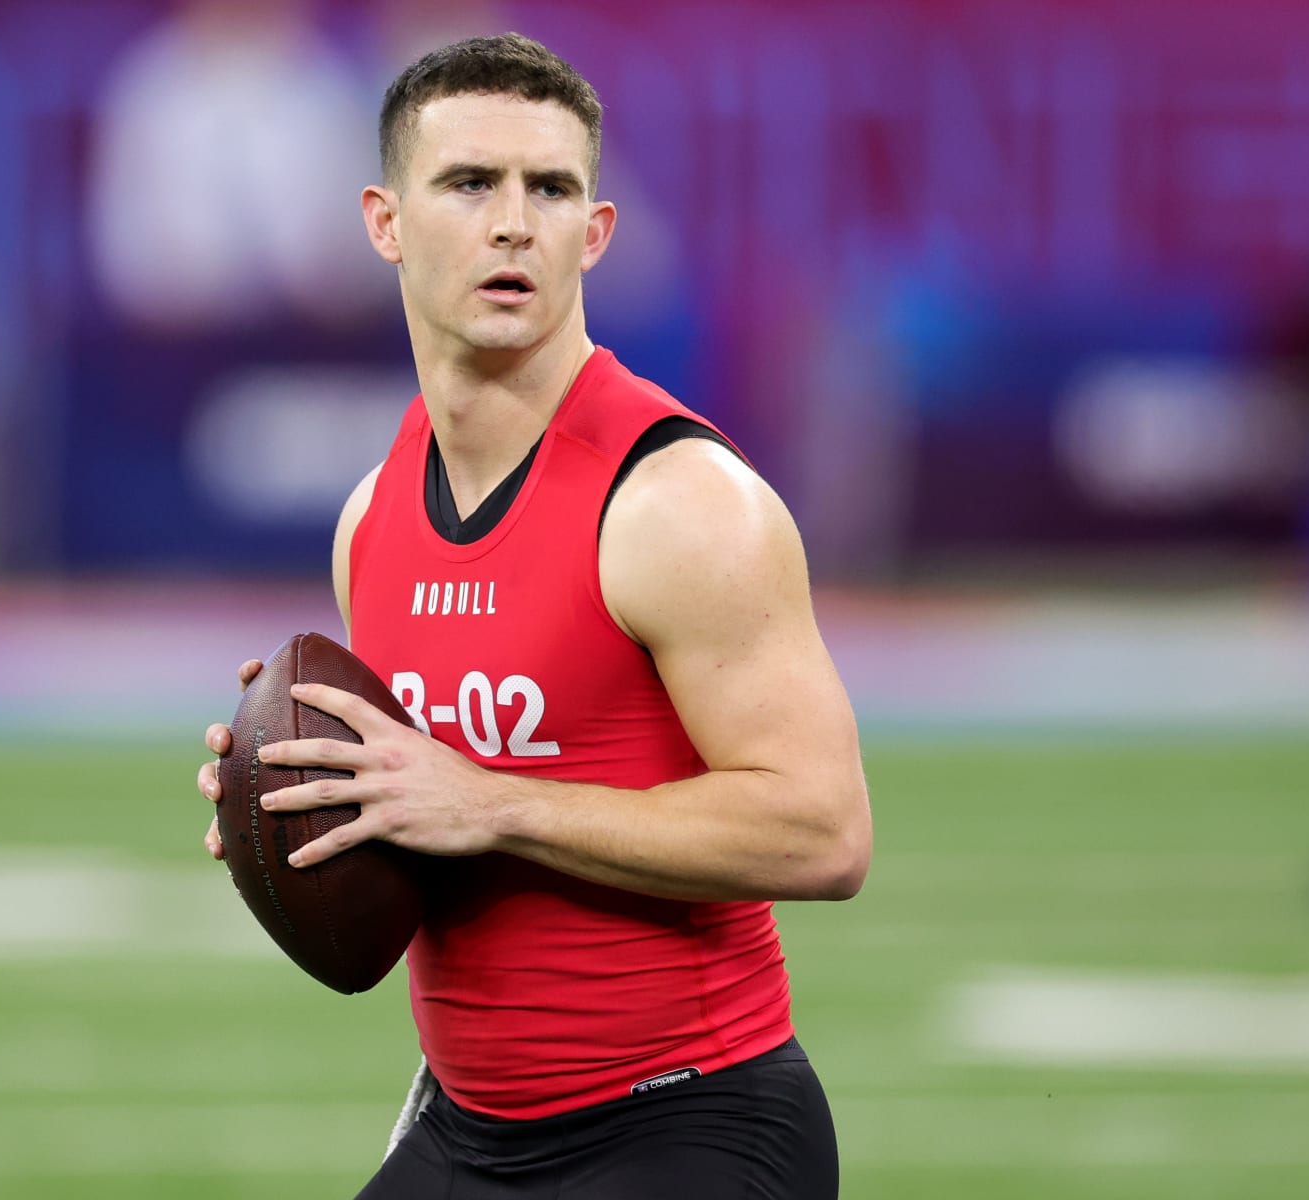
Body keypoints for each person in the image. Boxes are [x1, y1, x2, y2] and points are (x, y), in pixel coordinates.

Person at [197, 33, 870, 1199]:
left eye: (549, 189)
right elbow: (436, 826)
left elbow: (823, 833)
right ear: (384, 222)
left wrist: (488, 802)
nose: (513, 223)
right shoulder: (374, 519)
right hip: (465, 1128)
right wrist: (307, 812)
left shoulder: (678, 503)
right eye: (469, 184)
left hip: (690, 1124)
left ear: (593, 234)